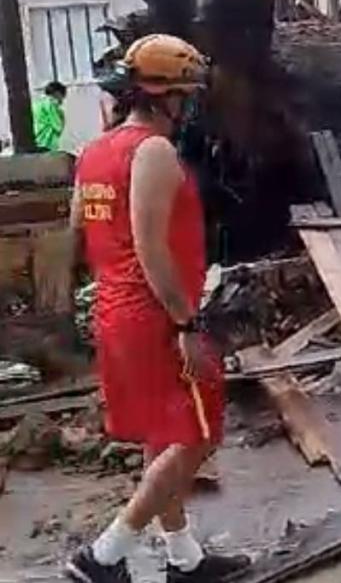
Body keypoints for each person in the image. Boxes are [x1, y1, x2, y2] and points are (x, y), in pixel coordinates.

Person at [66, 35, 248, 583]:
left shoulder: (95, 152)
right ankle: (104, 554)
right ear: (164, 96)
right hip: (157, 317)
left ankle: (183, 559)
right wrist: (185, 323)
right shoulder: (153, 151)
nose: (190, 107)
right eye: (186, 96)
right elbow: (151, 249)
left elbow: (78, 230)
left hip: (115, 312)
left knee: (164, 435)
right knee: (199, 435)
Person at [33, 80, 67, 151]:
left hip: (37, 139)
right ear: (57, 93)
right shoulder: (51, 104)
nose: (62, 100)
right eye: (62, 96)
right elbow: (58, 126)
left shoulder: (36, 103)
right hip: (47, 141)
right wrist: (61, 115)